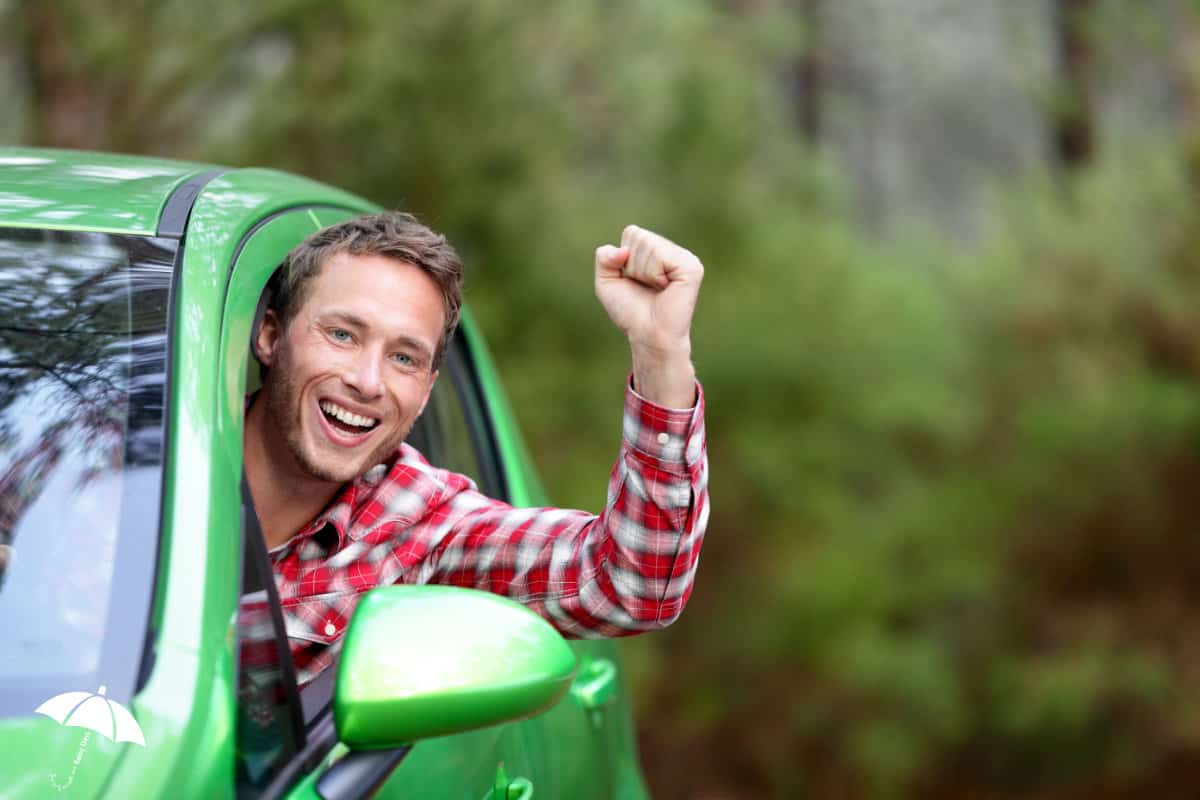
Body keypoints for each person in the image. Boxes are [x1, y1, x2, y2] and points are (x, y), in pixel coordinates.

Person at [242, 212, 708, 686]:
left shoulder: (420, 526)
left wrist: (660, 352)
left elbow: (629, 583)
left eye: (404, 358)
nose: (367, 381)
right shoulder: (170, 458)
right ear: (271, 336)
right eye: (342, 335)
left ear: (425, 392)